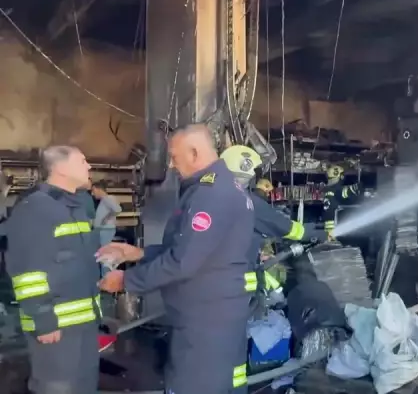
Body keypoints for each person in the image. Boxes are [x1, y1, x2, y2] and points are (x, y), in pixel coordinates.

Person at [96, 124, 255, 394]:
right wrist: (139, 253)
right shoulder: (220, 188)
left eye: (174, 157)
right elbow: (194, 252)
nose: (171, 165)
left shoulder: (211, 195)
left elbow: (183, 262)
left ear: (194, 153)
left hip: (205, 322)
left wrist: (126, 280)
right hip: (214, 315)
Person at [5, 145, 100, 394]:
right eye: (82, 161)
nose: (89, 166)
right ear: (61, 168)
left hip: (84, 323)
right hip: (55, 327)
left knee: (84, 386)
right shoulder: (36, 208)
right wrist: (44, 320)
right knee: (56, 388)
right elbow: (27, 272)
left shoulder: (77, 205)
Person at [219, 145, 326, 300]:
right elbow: (284, 226)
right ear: (245, 170)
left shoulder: (211, 195)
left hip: (215, 281)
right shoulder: (245, 201)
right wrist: (316, 233)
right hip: (236, 290)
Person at [322, 165, 365, 239]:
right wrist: (358, 186)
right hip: (336, 226)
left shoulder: (328, 189)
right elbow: (345, 192)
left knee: (332, 246)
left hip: (329, 226)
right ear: (341, 176)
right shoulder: (337, 189)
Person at [90, 180, 122, 248]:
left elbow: (118, 209)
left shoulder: (107, 199)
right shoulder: (103, 200)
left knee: (104, 251)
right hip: (102, 230)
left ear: (98, 189)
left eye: (93, 190)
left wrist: (107, 217)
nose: (92, 193)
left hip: (106, 230)